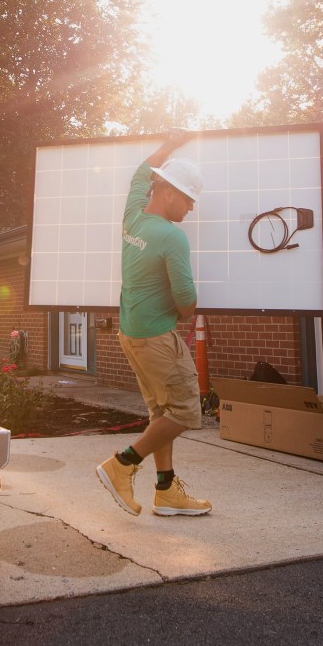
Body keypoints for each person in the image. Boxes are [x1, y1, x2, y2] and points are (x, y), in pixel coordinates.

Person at [96, 132, 212, 517]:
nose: (192, 207)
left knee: (162, 413)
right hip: (158, 339)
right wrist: (185, 313)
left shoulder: (133, 215)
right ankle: (123, 464)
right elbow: (186, 301)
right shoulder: (170, 237)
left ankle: (166, 491)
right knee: (185, 411)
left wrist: (167, 147)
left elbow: (141, 173)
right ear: (169, 194)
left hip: (132, 335)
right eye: (189, 198)